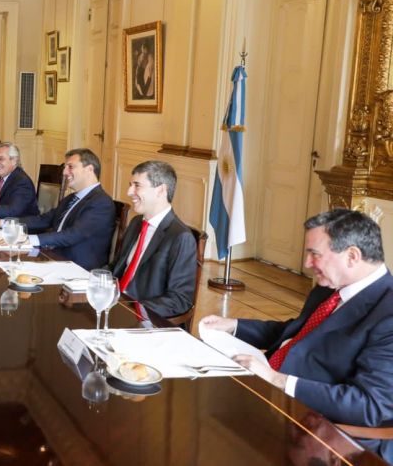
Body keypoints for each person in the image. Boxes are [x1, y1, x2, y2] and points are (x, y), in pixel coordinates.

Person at [201, 209, 393, 428]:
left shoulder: (388, 315)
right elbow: (298, 332)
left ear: (352, 256)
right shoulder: (330, 286)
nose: (307, 264)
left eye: (315, 254)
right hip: (264, 392)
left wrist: (276, 380)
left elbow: (370, 405)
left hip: (309, 423)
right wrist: (234, 326)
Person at [0, 148, 115, 270]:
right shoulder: (72, 198)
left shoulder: (101, 203)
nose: (65, 172)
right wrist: (1, 223)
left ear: (89, 169)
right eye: (65, 167)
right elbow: (43, 220)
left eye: (70, 167)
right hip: (51, 257)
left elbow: (72, 235)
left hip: (76, 268)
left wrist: (29, 240)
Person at [108, 160, 196, 318]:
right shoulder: (136, 223)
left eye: (137, 185)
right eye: (130, 185)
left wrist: (132, 308)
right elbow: (116, 267)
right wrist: (90, 281)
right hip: (114, 306)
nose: (129, 191)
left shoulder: (180, 237)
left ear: (160, 190)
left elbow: (180, 299)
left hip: (142, 319)